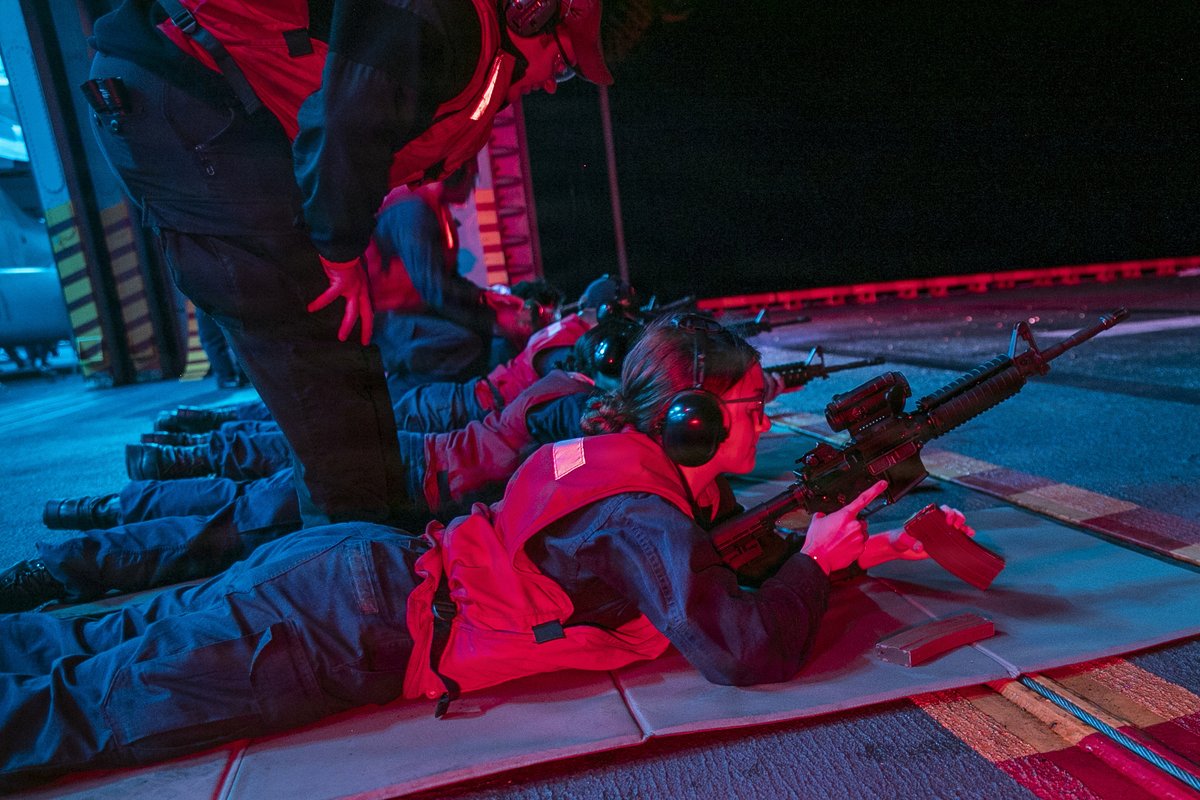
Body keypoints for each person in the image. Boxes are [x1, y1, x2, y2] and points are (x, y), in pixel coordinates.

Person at [0, 314, 969, 790]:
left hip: (344, 578)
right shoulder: (641, 508)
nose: (767, 424)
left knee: (81, 653)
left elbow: (703, 562)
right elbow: (741, 647)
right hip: (337, 625)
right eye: (755, 407)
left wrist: (839, 547)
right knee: (76, 716)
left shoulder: (615, 457)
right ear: (690, 416)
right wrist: (818, 563)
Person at [82, 0, 611, 528]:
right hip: (189, 92)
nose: (548, 84)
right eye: (563, 65)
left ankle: (348, 545)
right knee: (323, 393)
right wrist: (340, 253)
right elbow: (343, 120)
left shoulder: (457, 43)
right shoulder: (449, 25)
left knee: (342, 407)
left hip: (209, 103)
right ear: (532, 13)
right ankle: (341, 560)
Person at [3, 319, 644, 611]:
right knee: (231, 527)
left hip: (409, 456)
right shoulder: (573, 408)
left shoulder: (566, 374)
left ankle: (90, 525)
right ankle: (62, 560)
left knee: (245, 496)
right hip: (402, 475)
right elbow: (562, 464)